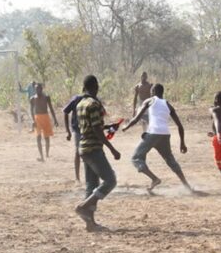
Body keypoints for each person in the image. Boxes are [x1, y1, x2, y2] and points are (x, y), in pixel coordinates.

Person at [122, 83, 196, 194]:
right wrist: (182, 143)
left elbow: (136, 118)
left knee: (136, 158)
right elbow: (180, 126)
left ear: (153, 92)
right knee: (170, 160)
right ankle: (187, 186)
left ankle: (154, 179)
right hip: (165, 135)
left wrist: (125, 127)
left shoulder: (149, 101)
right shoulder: (168, 104)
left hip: (153, 133)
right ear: (162, 93)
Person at [74, 75, 121, 231]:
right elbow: (95, 129)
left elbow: (91, 126)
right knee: (110, 181)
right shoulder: (94, 104)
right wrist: (112, 148)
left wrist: (107, 127)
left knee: (91, 185)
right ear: (95, 86)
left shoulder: (80, 104)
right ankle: (83, 207)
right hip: (94, 148)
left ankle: (90, 223)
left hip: (84, 148)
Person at [29, 83, 59, 162]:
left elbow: (51, 108)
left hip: (45, 117)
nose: (37, 90)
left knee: (46, 137)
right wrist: (33, 120)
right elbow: (31, 111)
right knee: (38, 137)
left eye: (39, 89)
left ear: (42, 89)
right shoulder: (32, 99)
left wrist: (55, 119)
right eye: (36, 89)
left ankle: (47, 154)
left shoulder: (46, 97)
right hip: (37, 118)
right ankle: (41, 156)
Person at [62, 92, 83, 182]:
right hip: (78, 130)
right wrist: (68, 131)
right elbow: (66, 112)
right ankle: (77, 177)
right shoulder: (76, 99)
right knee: (78, 152)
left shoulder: (93, 99)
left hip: (89, 130)